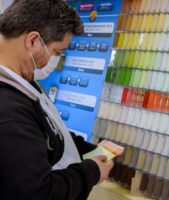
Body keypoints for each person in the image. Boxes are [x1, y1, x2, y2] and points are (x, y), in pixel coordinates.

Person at [0, 0, 114, 199]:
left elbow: (42, 128)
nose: (55, 60)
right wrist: (91, 172)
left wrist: (90, 150)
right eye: (56, 52)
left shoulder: (21, 80)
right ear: (33, 41)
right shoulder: (8, 108)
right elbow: (38, 193)